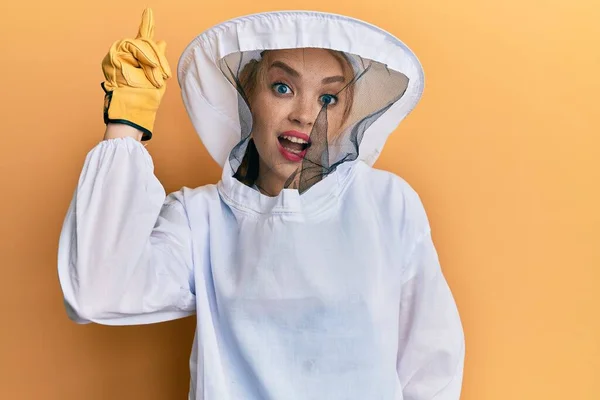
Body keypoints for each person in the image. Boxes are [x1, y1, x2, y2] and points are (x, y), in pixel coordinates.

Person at [58, 8, 465, 400]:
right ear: (247, 96)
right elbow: (97, 292)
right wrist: (126, 120)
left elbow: (431, 366)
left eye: (328, 98)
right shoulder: (200, 218)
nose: (305, 115)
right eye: (282, 88)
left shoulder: (388, 204)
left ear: (346, 115)